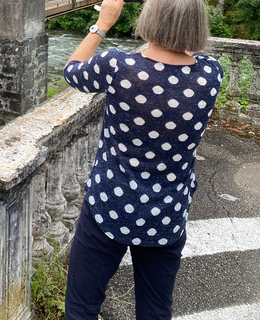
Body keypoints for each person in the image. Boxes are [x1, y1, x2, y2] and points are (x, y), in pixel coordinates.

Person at [63, 0, 223, 319]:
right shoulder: (210, 75)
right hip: (167, 212)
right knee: (155, 308)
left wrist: (102, 24)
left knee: (82, 305)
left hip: (110, 205)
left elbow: (72, 72)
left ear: (149, 17)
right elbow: (179, 63)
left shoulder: (118, 67)